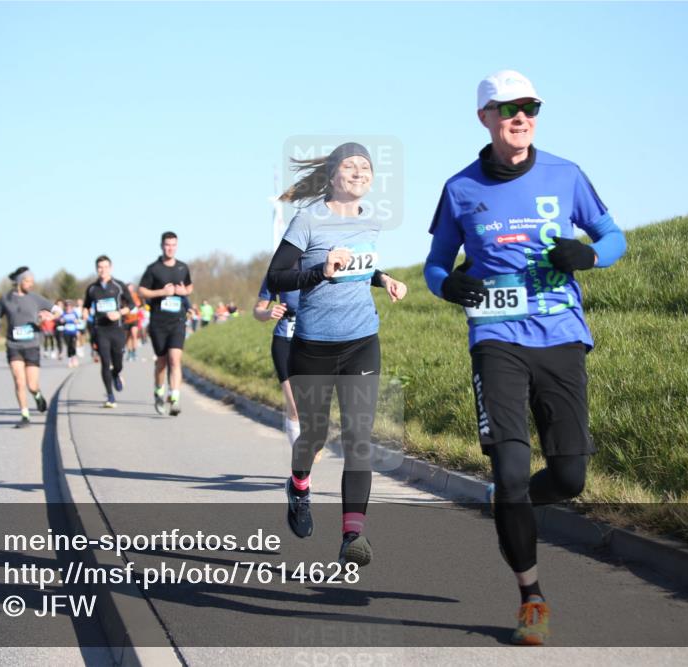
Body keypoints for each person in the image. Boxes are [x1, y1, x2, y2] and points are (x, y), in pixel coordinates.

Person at [424, 70, 627, 645]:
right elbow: (437, 264)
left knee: (569, 476)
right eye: (508, 107)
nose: (521, 116)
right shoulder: (460, 188)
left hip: (561, 336)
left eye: (530, 106)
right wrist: (448, 286)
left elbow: (615, 237)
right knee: (511, 474)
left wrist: (587, 256)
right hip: (496, 339)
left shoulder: (566, 174)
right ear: (484, 117)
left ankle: (510, 503)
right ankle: (531, 597)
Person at [266, 142, 408, 567]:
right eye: (351, 165)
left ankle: (353, 536)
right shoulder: (308, 220)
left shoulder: (371, 221)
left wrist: (384, 279)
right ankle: (299, 485)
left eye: (366, 166)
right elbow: (277, 275)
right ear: (332, 175)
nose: (360, 172)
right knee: (313, 435)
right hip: (314, 345)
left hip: (363, 339)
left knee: (358, 438)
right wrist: (319, 270)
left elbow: (359, 269)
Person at [254, 272, 325, 463]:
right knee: (294, 405)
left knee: (316, 401)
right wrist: (268, 313)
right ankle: (301, 464)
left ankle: (315, 440)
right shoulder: (276, 273)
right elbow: (257, 310)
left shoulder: (317, 266)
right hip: (284, 340)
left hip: (314, 340)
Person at [0, 266, 52, 428]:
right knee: (19, 380)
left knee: (32, 385)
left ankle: (37, 395)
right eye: (28, 281)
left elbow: (57, 311)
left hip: (32, 345)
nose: (31, 284)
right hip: (13, 345)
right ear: (19, 281)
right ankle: (24, 415)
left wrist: (48, 316)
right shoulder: (5, 299)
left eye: (32, 281)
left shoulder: (36, 298)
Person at [139, 232, 193, 416]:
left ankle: (175, 397)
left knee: (175, 360)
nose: (170, 248)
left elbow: (189, 287)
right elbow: (142, 291)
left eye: (173, 245)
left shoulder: (182, 267)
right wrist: (162, 292)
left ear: (177, 246)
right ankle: (159, 391)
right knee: (161, 362)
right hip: (158, 323)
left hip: (177, 321)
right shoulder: (153, 269)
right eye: (167, 245)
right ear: (162, 246)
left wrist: (183, 291)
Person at [83, 255, 134, 408]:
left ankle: (116, 373)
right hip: (100, 330)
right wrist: (85, 312)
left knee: (117, 361)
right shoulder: (92, 288)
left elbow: (131, 304)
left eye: (105, 267)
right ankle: (110, 396)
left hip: (117, 328)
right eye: (100, 267)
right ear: (96, 269)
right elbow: (86, 306)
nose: (102, 270)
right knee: (105, 362)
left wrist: (119, 313)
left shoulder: (119, 285)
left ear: (110, 268)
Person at [59, 300, 80, 367]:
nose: (68, 308)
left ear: (72, 307)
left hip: (73, 332)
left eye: (69, 306)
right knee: (68, 346)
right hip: (66, 332)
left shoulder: (74, 313)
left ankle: (74, 358)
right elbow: (60, 321)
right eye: (67, 306)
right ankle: (69, 360)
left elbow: (78, 321)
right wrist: (62, 321)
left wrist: (75, 321)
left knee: (73, 345)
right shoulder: (64, 314)